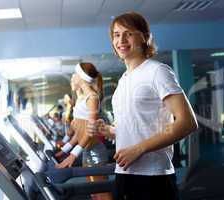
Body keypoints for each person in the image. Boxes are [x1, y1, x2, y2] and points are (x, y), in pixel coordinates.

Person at [87, 12, 198, 200]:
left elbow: (187, 122)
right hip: (124, 173)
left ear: (145, 37)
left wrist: (138, 149)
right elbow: (138, 127)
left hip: (153, 177)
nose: (121, 39)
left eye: (128, 33)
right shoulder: (123, 80)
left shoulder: (157, 71)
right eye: (116, 34)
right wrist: (109, 130)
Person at [55, 62, 113, 200]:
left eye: (74, 75)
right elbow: (79, 131)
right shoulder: (82, 99)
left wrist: (73, 155)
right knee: (94, 193)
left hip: (94, 152)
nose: (72, 78)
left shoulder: (92, 98)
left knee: (101, 193)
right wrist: (65, 150)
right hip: (87, 150)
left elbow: (90, 131)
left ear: (81, 77)